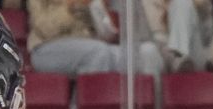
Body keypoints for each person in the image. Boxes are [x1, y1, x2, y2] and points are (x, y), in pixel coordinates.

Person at [27, 0, 162, 77]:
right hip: (47, 49)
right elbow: (44, 28)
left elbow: (105, 29)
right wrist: (71, 6)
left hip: (94, 45)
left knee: (148, 52)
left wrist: (108, 19)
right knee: (98, 52)